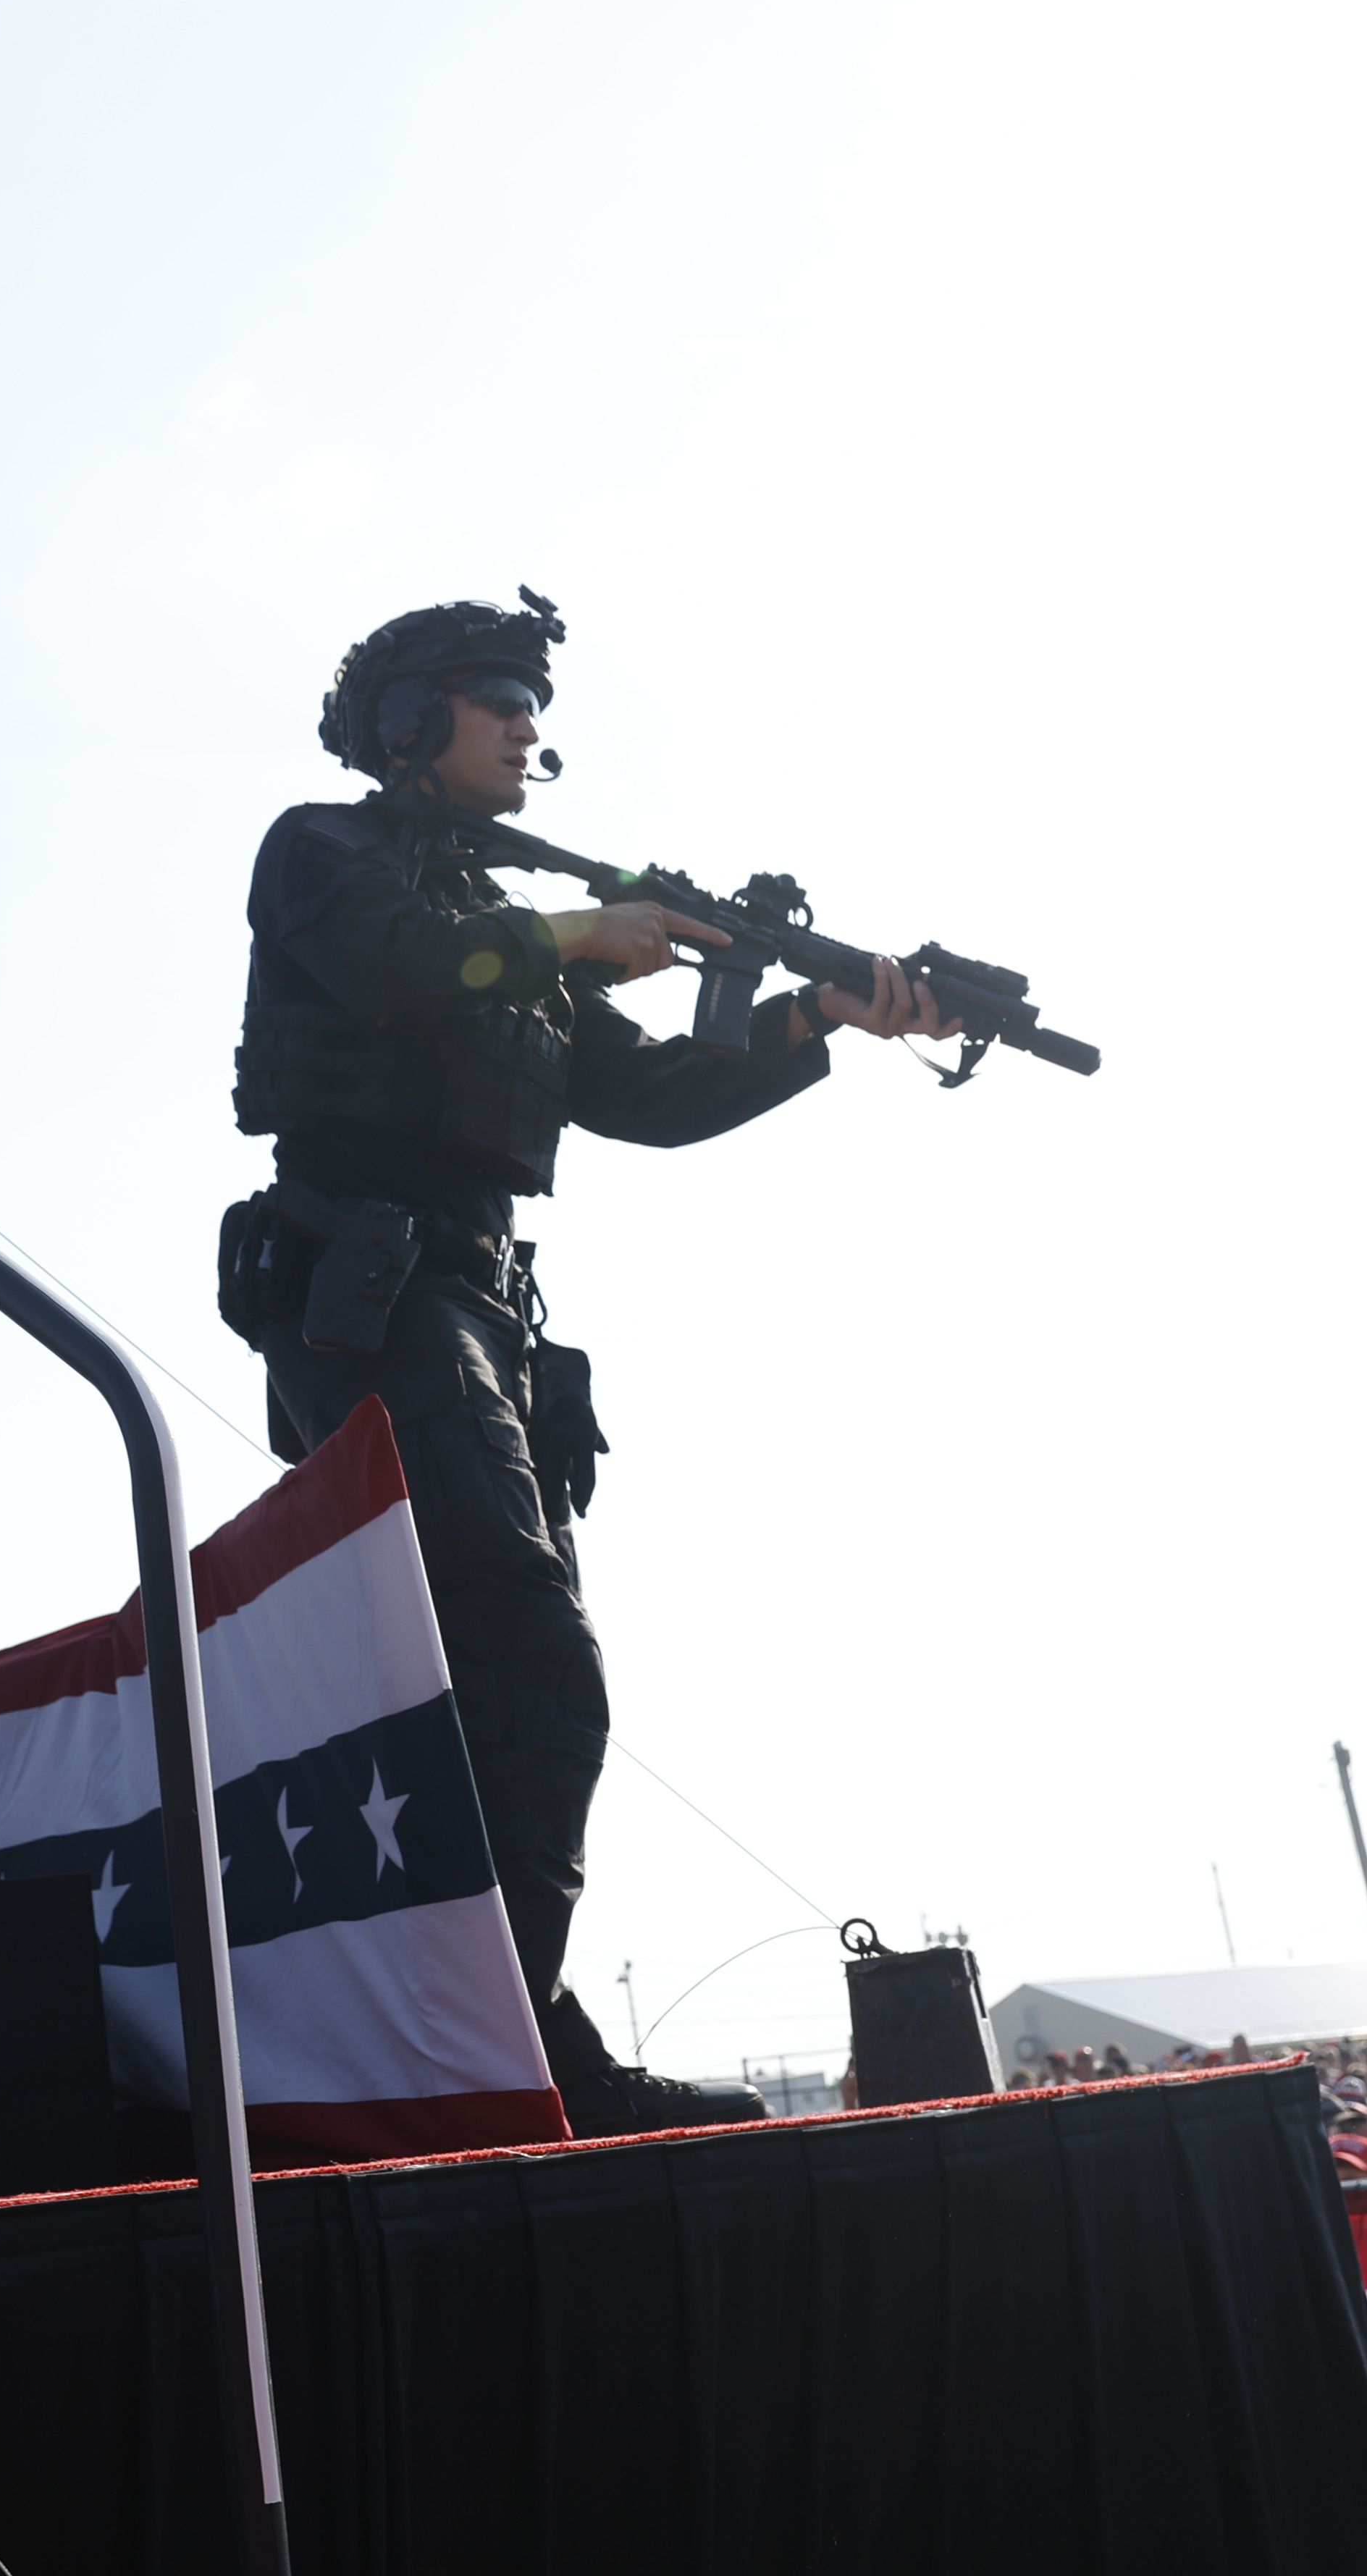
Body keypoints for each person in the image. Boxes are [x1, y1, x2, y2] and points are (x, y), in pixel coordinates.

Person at [220, 588, 956, 2137]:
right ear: (408, 723)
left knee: (494, 1684)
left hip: (476, 1308)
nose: (524, 726)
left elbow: (654, 1100)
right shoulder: (322, 854)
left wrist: (815, 1018)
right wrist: (577, 936)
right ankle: (491, 2046)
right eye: (492, 697)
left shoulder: (513, 926)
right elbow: (415, 972)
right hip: (373, 1285)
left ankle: (514, 2026)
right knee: (532, 1664)